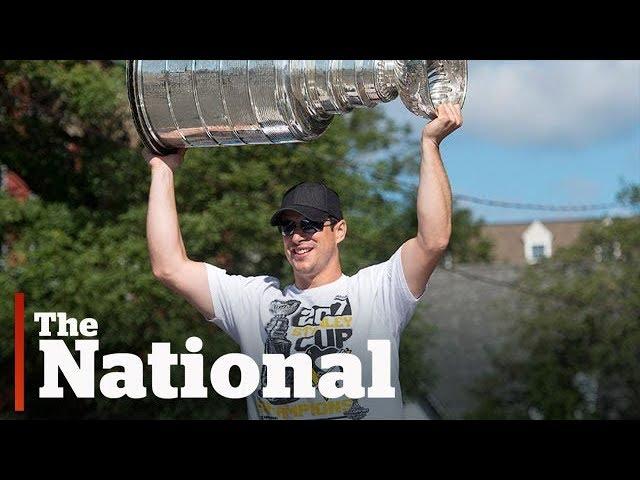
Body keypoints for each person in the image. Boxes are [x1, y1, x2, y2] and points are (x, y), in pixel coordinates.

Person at [145, 103, 463, 419]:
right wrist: (162, 171)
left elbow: (433, 240)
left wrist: (430, 144)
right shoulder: (256, 302)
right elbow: (169, 267)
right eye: (288, 227)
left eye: (310, 225)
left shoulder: (377, 291)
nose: (297, 236)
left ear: (339, 230)